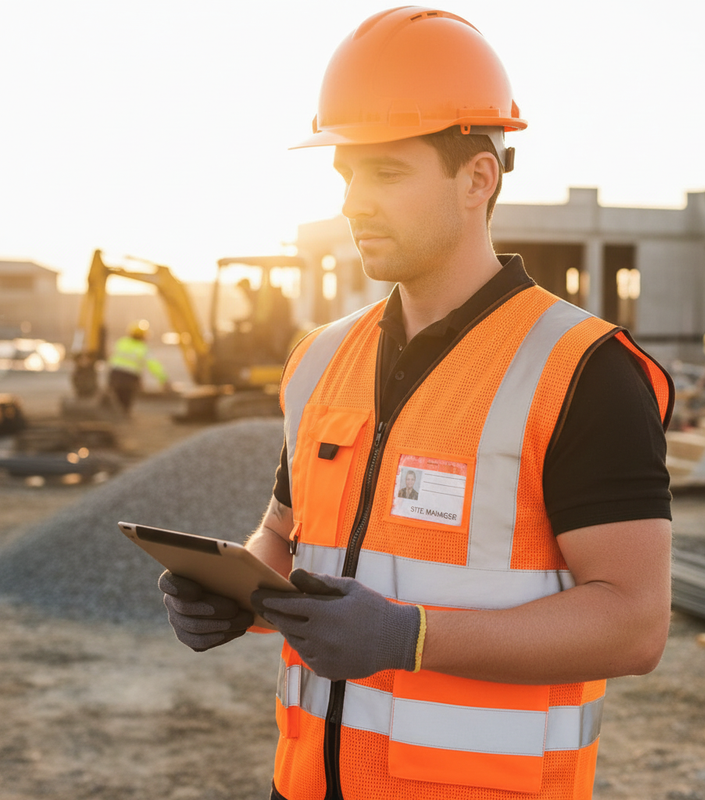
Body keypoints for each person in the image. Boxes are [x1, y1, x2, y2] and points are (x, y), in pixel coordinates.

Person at [159, 7, 674, 799]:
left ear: (478, 178)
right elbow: (282, 540)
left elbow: (635, 624)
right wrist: (236, 596)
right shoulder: (321, 357)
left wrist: (411, 637)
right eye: (347, 176)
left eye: (387, 174)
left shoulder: (582, 369)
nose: (355, 203)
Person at [106, 320, 170, 414]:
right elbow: (153, 365)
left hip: (114, 374)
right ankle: (124, 418)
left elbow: (111, 357)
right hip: (129, 377)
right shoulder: (142, 348)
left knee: (115, 399)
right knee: (125, 401)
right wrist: (163, 379)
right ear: (143, 336)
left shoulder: (122, 342)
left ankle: (114, 417)